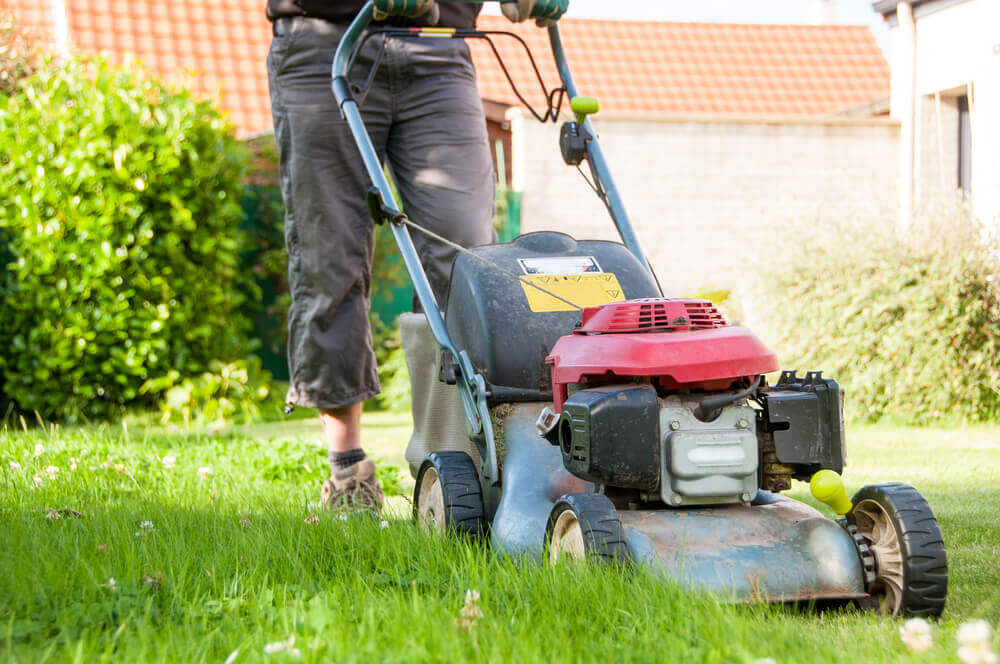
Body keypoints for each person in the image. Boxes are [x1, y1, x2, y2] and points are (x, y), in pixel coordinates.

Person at [265, 0, 568, 513]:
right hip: (328, 38)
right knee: (329, 259)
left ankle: (460, 465)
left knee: (466, 260)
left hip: (440, 45)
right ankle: (349, 474)